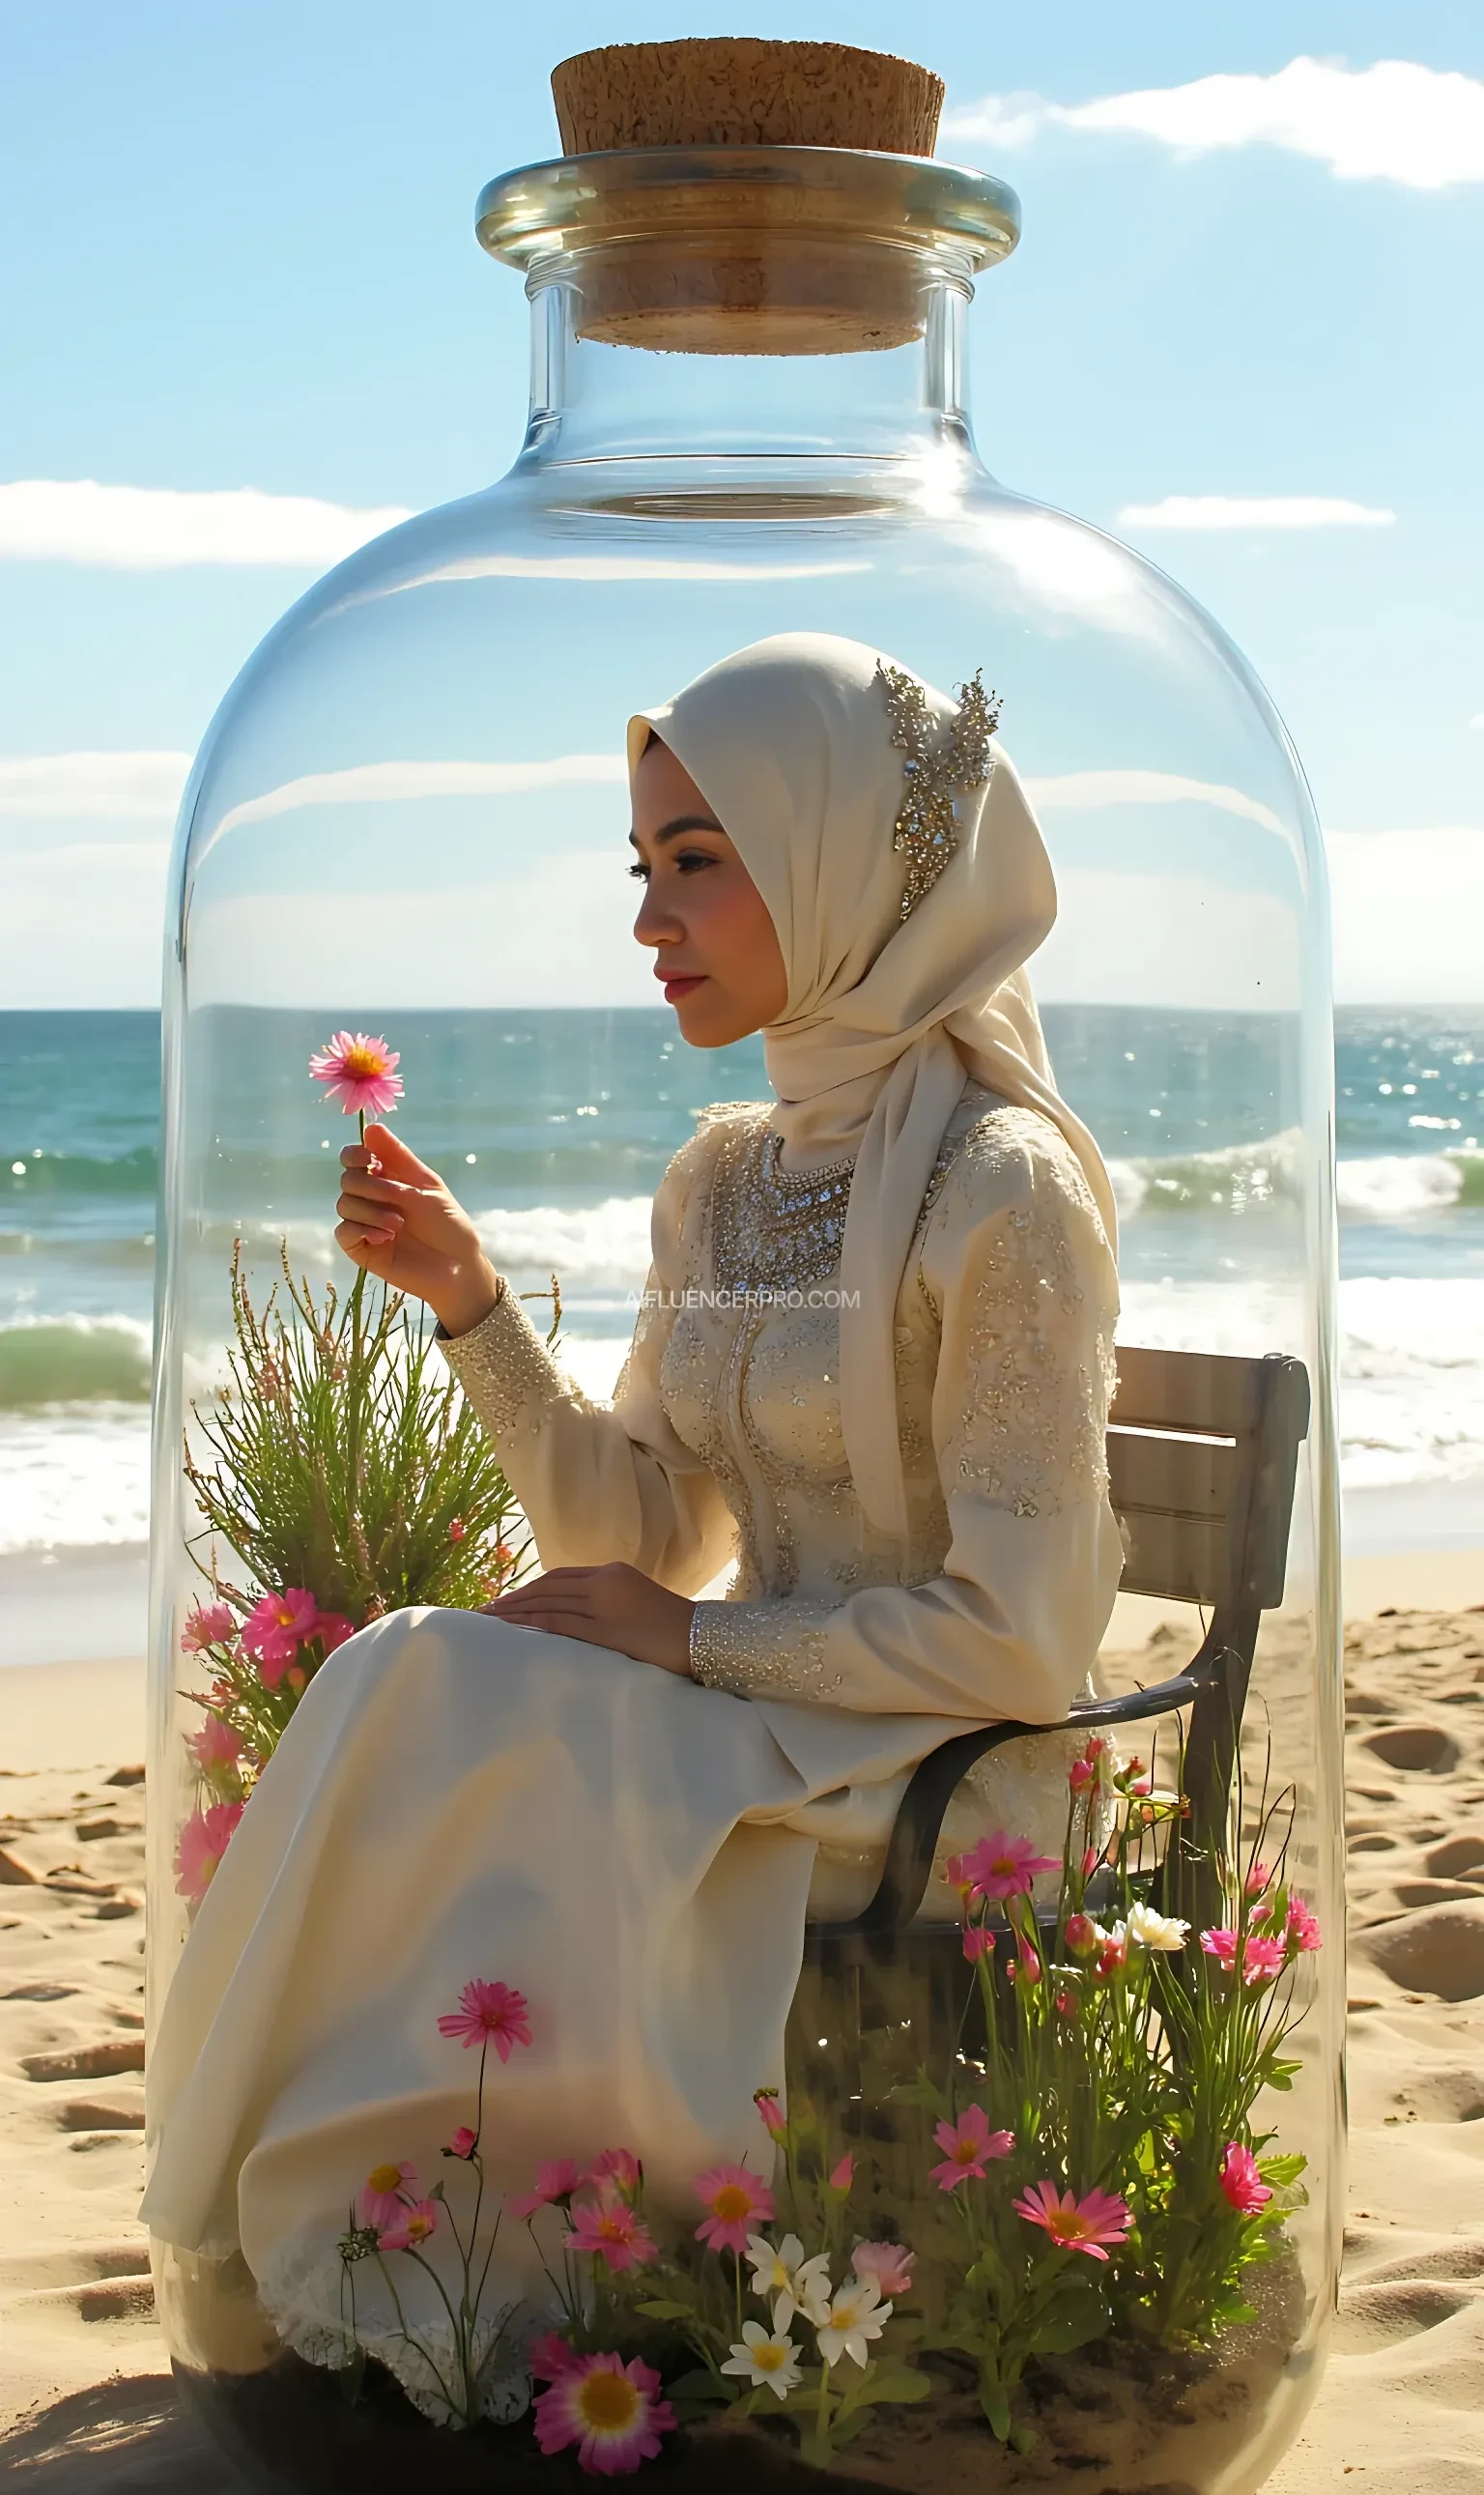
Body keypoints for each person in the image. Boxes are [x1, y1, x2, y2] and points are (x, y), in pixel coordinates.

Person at [143, 631, 1123, 2405]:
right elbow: (652, 1526)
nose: (652, 918)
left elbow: (1025, 1639)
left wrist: (691, 1645)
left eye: (700, 863)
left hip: (936, 1751)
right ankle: (381, 2238)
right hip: (760, 1709)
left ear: (835, 869)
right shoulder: (731, 1176)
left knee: (476, 1710)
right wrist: (472, 1307)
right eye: (644, 866)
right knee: (406, 1673)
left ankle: (508, 2284)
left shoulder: (1003, 1188)